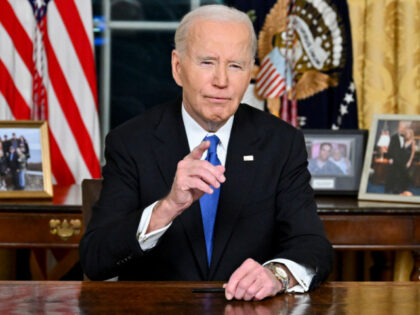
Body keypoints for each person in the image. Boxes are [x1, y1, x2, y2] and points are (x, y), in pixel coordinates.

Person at [80, 5, 332, 301]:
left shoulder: (281, 143)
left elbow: (314, 246)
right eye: (207, 62)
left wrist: (276, 275)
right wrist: (168, 207)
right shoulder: (131, 142)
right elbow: (95, 259)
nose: (221, 80)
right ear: (178, 67)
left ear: (250, 71)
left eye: (236, 66)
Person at [385, 121, 413, 194]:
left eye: (403, 128)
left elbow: (409, 151)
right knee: (393, 175)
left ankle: (400, 190)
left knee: (402, 176)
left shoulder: (407, 137)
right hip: (395, 160)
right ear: (398, 128)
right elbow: (390, 150)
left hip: (403, 161)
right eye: (400, 127)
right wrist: (390, 158)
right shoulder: (393, 137)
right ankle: (390, 190)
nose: (401, 129)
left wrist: (408, 161)